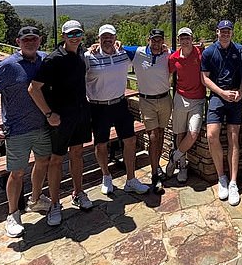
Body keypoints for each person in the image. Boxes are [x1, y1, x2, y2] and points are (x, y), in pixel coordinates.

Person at [0, 26, 53, 237]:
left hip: (43, 126)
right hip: (17, 130)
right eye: (26, 39)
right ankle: (12, 213)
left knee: (42, 163)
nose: (30, 42)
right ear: (18, 41)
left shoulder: (45, 59)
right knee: (17, 172)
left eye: (34, 39)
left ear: (40, 40)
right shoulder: (7, 66)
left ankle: (36, 199)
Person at [28, 20, 93, 226]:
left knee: (77, 154)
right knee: (56, 160)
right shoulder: (53, 59)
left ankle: (77, 193)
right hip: (60, 118)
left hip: (81, 113)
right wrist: (49, 114)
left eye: (78, 33)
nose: (75, 37)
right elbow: (33, 89)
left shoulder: (81, 53)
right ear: (63, 36)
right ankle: (55, 203)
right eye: (70, 34)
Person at [85, 24, 149, 196]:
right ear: (98, 39)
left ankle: (131, 179)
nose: (107, 40)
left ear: (115, 38)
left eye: (110, 37)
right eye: (104, 37)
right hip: (98, 106)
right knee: (101, 144)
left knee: (130, 140)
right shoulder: (89, 56)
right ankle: (106, 176)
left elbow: (148, 49)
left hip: (120, 103)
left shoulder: (123, 53)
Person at [201, 20, 242, 206]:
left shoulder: (240, 50)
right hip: (218, 97)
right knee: (212, 135)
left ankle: (234, 182)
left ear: (231, 33)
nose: (226, 33)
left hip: (235, 97)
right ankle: (222, 178)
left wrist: (241, 92)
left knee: (234, 138)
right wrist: (221, 93)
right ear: (217, 32)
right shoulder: (209, 52)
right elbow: (204, 78)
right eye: (223, 31)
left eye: (229, 31)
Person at [122, 29, 171, 194]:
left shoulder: (167, 53)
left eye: (159, 40)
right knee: (153, 137)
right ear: (148, 39)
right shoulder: (137, 52)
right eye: (154, 40)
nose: (156, 43)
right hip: (146, 100)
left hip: (165, 99)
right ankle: (155, 174)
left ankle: (156, 165)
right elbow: (118, 46)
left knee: (161, 134)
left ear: (163, 41)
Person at [167, 27, 206, 184]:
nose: (185, 40)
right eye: (182, 38)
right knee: (180, 133)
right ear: (178, 40)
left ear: (192, 38)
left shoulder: (200, 53)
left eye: (187, 37)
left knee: (193, 132)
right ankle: (182, 166)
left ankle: (174, 157)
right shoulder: (173, 58)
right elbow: (166, 74)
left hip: (198, 99)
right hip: (180, 98)